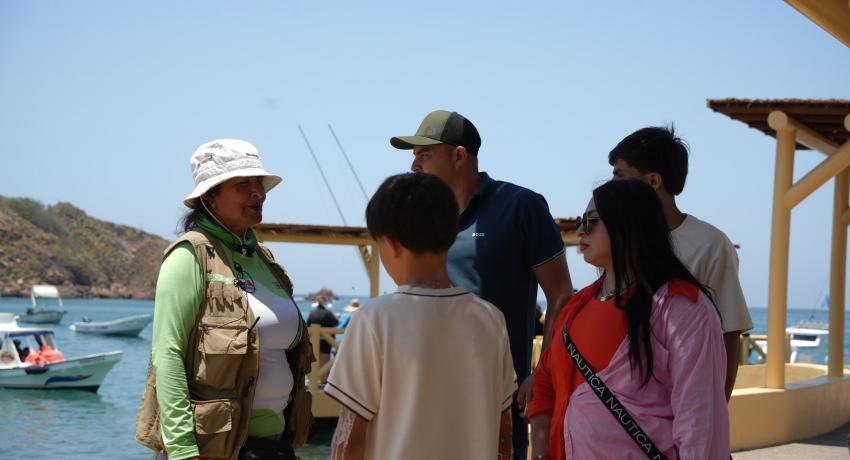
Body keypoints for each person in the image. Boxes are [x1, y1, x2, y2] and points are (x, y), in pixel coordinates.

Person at [390, 110, 574, 459]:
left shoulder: (522, 206)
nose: (414, 167)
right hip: (423, 392)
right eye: (413, 157)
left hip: (497, 396)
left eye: (424, 155)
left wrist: (543, 373)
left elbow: (561, 294)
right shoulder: (421, 218)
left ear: (459, 156)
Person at [135, 139, 314, 460]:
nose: (258, 192)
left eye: (259, 183)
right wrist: (182, 451)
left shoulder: (265, 260)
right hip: (216, 451)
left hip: (275, 446)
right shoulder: (189, 256)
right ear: (209, 197)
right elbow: (168, 354)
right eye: (243, 184)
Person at [529, 179, 729, 460]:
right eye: (580, 220)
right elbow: (545, 381)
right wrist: (541, 450)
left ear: (629, 227)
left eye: (592, 220)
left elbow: (700, 419)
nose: (581, 229)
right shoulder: (577, 305)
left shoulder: (681, 307)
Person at [327, 173, 516, 460]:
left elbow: (349, 440)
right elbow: (504, 435)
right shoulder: (491, 319)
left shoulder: (373, 319)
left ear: (390, 244)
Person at [609, 126, 752, 399]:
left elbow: (729, 332)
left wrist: (715, 413)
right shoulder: (617, 240)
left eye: (619, 175)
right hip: (620, 404)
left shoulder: (711, 244)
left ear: (653, 181)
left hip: (680, 401)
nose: (611, 186)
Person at [307, 294, 339, 374]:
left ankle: (314, 379)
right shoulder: (327, 313)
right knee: (325, 361)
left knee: (315, 361)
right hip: (326, 340)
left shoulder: (312, 313)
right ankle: (324, 379)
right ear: (325, 302)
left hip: (314, 339)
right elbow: (336, 322)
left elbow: (308, 324)